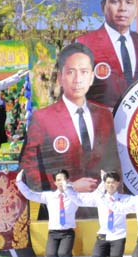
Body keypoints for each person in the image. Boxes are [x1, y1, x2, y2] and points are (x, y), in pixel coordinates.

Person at [18, 43, 120, 202]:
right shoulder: (43, 118)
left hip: (100, 207)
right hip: (61, 206)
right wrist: (67, 186)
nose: (78, 79)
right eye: (71, 72)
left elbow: (114, 164)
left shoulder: (104, 115)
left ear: (91, 77)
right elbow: (28, 168)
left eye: (84, 72)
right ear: (60, 77)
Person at [76, 0, 138, 108]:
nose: (122, 8)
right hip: (101, 120)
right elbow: (73, 97)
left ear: (136, 8)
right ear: (103, 5)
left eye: (129, 2)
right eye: (115, 1)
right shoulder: (84, 44)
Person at [16, 169, 80, 257]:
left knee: (63, 255)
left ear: (68, 181)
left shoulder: (74, 196)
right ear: (55, 183)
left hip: (67, 233)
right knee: (50, 256)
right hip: (53, 233)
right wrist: (19, 182)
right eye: (58, 180)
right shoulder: (49, 196)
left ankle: (65, 252)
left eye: (63, 179)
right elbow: (30, 195)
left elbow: (88, 200)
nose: (61, 182)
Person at [75, 171, 131, 257]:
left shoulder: (126, 199)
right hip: (103, 234)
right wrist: (67, 189)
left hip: (118, 235)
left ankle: (112, 253)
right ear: (104, 184)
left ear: (118, 183)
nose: (110, 185)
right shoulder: (100, 198)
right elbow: (80, 200)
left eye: (113, 182)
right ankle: (107, 252)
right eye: (108, 182)